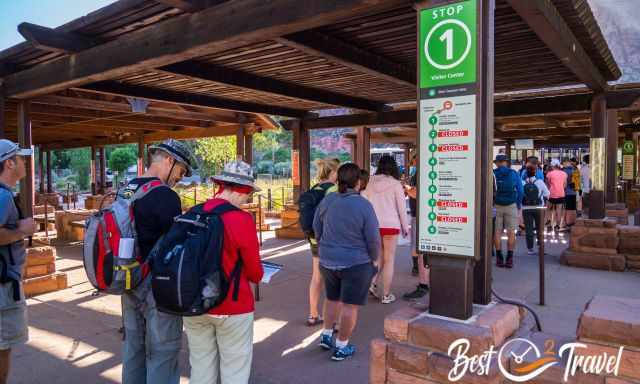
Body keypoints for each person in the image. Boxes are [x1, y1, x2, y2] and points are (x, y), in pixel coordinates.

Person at [183, 160, 263, 384]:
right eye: (248, 195)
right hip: (233, 305)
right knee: (234, 370)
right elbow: (255, 273)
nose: (247, 200)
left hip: (194, 302)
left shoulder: (194, 213)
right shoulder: (241, 219)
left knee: (200, 366)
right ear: (242, 190)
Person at [122, 139, 194, 384]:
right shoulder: (165, 196)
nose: (180, 178)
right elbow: (177, 243)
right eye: (181, 171)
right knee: (163, 352)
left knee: (133, 349)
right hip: (157, 286)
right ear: (169, 160)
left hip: (128, 277)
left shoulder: (127, 188)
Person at [313, 163, 380, 361]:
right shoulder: (364, 205)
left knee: (331, 299)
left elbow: (317, 227)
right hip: (356, 263)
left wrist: (325, 245)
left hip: (327, 259)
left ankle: (326, 334)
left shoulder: (328, 200)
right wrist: (374, 259)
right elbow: (373, 239)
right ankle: (342, 345)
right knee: (350, 305)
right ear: (358, 183)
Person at [0, 140, 34, 384]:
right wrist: (22, 230)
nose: (25, 163)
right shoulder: (2, 197)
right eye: (21, 159)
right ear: (9, 163)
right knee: (3, 347)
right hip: (2, 289)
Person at [362, 155, 409, 304]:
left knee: (377, 258)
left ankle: (371, 284)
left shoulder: (370, 181)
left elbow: (364, 202)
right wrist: (404, 226)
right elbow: (402, 208)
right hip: (391, 225)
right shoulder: (395, 184)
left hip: (373, 225)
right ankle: (386, 295)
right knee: (389, 260)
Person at [303, 158, 339, 326]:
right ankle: (335, 320)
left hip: (313, 238)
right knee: (334, 279)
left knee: (316, 277)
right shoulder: (333, 189)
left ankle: (313, 314)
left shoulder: (314, 188)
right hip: (329, 240)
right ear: (332, 172)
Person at [402, 154, 430, 300]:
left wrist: (406, 188)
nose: (411, 162)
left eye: (413, 159)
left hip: (420, 215)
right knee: (420, 249)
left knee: (421, 249)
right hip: (422, 215)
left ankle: (424, 284)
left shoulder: (421, 173)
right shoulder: (425, 172)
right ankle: (424, 280)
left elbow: (416, 192)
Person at [493, 155, 523, 268]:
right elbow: (520, 190)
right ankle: (509, 258)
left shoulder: (492, 173)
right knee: (511, 232)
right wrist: (518, 205)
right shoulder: (514, 173)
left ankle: (499, 258)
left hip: (496, 206)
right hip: (511, 205)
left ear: (497, 163)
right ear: (506, 162)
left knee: (497, 232)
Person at [522, 165, 550, 255]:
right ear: (535, 173)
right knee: (540, 228)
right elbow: (547, 194)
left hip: (526, 208)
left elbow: (520, 194)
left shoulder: (522, 182)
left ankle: (530, 249)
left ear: (525, 174)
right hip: (539, 208)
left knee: (529, 229)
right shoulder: (540, 182)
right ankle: (540, 247)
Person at [546, 159, 567, 232]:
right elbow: (565, 185)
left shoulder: (549, 174)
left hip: (552, 194)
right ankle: (557, 225)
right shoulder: (564, 174)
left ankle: (549, 221)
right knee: (559, 210)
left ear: (553, 165)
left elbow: (548, 183)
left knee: (548, 208)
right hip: (561, 194)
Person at [563, 158, 579, 227]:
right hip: (574, 192)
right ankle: (574, 221)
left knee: (567, 208)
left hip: (566, 192)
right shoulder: (575, 170)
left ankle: (567, 222)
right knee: (573, 207)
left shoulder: (564, 171)